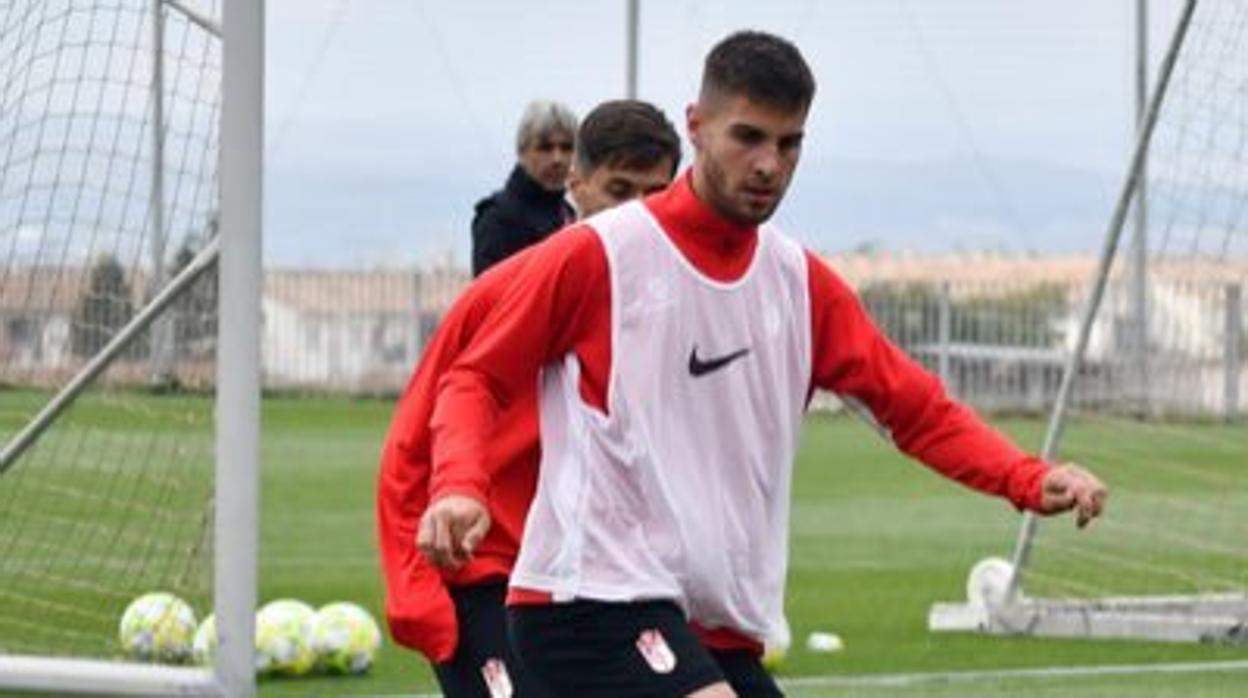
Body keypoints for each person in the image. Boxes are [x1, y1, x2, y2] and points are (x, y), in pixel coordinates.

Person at [421, 30, 1109, 698]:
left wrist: (1027, 477)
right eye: (748, 136)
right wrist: (459, 485)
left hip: (711, 626)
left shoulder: (799, 284)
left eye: (789, 143)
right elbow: (474, 376)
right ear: (697, 125)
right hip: (587, 600)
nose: (768, 164)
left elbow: (915, 410)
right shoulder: (600, 255)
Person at [379, 99, 682, 698]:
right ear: (577, 187)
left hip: (601, 579)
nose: (639, 216)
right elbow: (412, 442)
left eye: (657, 195)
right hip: (489, 569)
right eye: (620, 192)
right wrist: (416, 586)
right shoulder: (504, 292)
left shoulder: (675, 307)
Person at [472, 99, 578, 277]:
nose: (557, 159)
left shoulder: (568, 214)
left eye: (566, 148)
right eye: (545, 148)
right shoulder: (497, 217)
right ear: (522, 151)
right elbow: (491, 297)